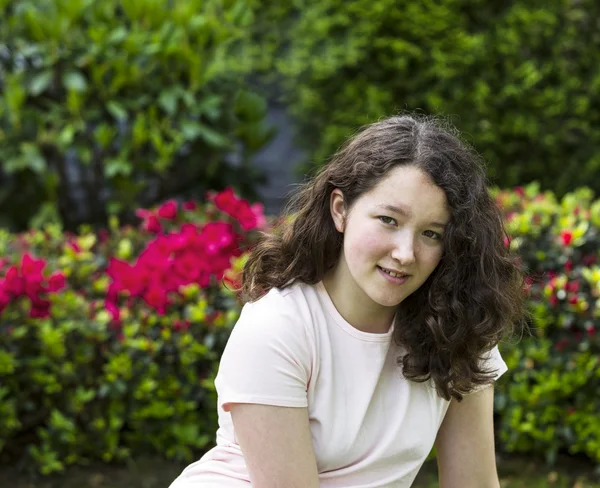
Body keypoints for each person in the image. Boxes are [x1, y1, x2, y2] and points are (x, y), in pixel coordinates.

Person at [169, 115, 525, 487]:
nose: (405, 253)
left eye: (431, 233)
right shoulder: (278, 329)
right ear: (340, 209)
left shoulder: (457, 323)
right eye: (388, 220)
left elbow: (475, 483)